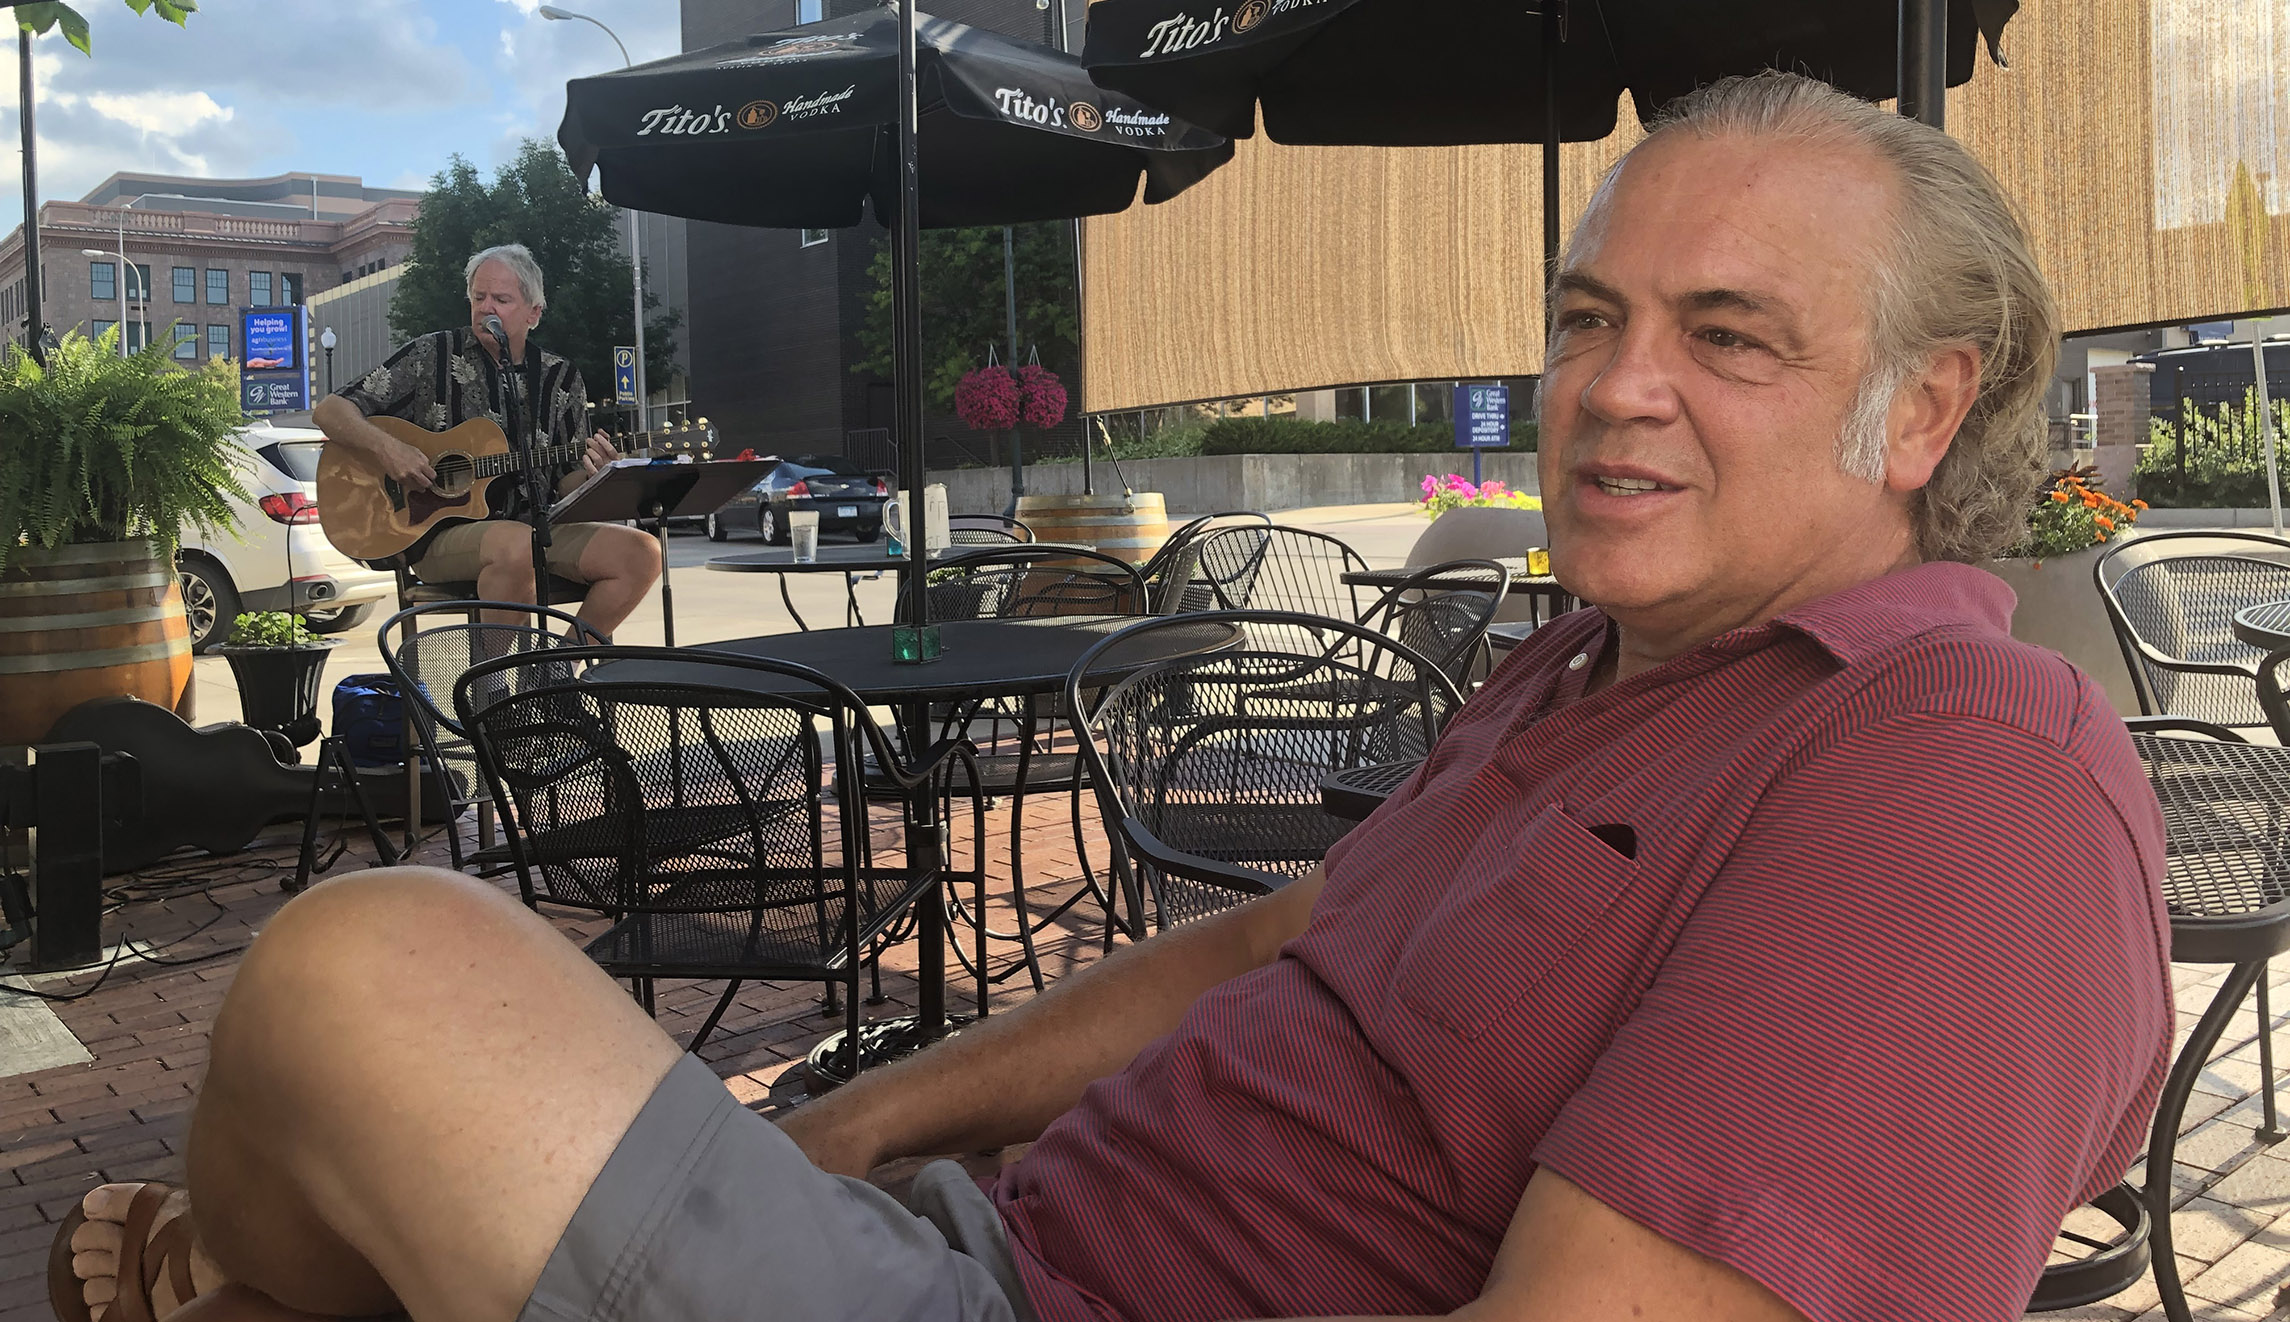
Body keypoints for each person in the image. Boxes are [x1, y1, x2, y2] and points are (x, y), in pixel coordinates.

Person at [54, 73, 2170, 1322]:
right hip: (992, 1240)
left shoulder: (1954, 771)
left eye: (1727, 337)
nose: (1612, 386)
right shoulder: (1592, 669)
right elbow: (1283, 936)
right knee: (391, 1004)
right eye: (1589, 314)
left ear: (1923, 410)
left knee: (371, 967)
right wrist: (844, 1122)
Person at [311, 243, 661, 636]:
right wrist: (389, 449)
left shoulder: (560, 377)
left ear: (534, 313)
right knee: (516, 545)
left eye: (502, 298)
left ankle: (556, 674)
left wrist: (597, 473)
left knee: (642, 554)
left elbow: (566, 481)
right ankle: (492, 691)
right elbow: (330, 410)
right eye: (479, 297)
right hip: (435, 532)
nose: (486, 307)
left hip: (537, 528)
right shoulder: (432, 354)